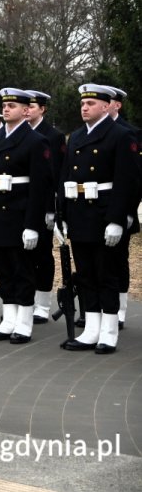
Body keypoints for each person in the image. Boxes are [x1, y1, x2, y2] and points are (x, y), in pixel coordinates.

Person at [60, 84, 138, 354]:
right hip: (80, 211)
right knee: (85, 274)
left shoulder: (120, 136)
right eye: (83, 103)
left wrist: (117, 219)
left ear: (107, 106)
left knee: (107, 273)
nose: (84, 107)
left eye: (91, 103)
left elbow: (126, 181)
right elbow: (65, 177)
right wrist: (64, 214)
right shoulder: (77, 137)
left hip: (104, 212)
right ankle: (91, 327)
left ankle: (109, 330)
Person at [0, 89, 52, 345]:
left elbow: (40, 188)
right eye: (4, 105)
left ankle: (24, 322)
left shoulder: (35, 141)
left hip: (20, 216)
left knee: (22, 270)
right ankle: (9, 318)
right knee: (3, 271)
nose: (6, 109)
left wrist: (33, 225)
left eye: (12, 105)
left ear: (25, 110)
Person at [23, 90, 66, 324]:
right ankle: (26, 299)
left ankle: (42, 302)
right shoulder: (18, 134)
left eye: (32, 106)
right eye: (25, 105)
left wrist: (52, 209)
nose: (27, 109)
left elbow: (55, 176)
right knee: (23, 255)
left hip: (43, 204)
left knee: (42, 254)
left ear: (42, 109)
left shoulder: (53, 136)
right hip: (20, 204)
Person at [104, 86, 140, 330]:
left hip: (121, 210)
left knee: (119, 260)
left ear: (116, 105)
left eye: (110, 101)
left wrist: (128, 212)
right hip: (97, 211)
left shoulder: (131, 133)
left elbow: (135, 179)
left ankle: (121, 308)